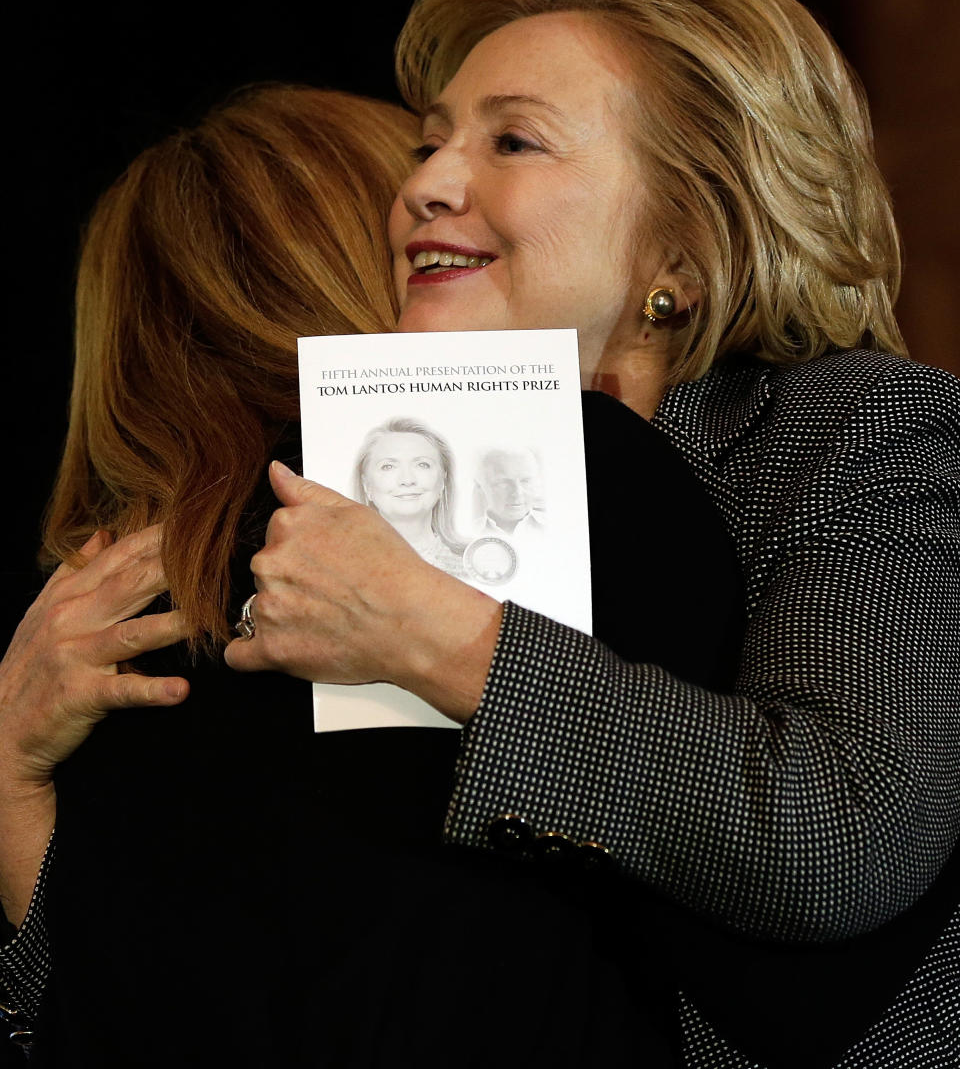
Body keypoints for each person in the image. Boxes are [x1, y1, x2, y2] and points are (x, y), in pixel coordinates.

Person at [221, 0, 960, 1069]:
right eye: (428, 146)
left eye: (512, 139)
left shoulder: (859, 428)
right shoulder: (360, 483)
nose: (425, 185)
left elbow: (840, 831)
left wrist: (439, 637)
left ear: (683, 245)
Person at [0, 68, 746, 1066]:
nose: (444, 193)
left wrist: (8, 782)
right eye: (422, 165)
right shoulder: (571, 468)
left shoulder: (80, 634)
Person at [354, 417, 467, 575]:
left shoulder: (471, 566)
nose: (407, 480)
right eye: (388, 466)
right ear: (366, 485)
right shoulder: (344, 566)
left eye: (422, 465)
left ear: (442, 480)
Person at [473, 445, 545, 537]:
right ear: (481, 487)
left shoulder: (554, 525)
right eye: (503, 483)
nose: (518, 493)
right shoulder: (469, 532)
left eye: (525, 481)